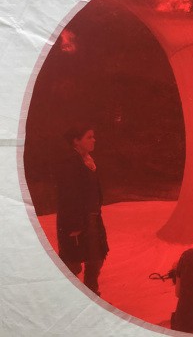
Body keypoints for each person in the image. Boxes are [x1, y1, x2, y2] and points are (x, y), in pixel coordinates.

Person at [56, 124, 109, 296]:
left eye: (93, 136)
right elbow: (68, 196)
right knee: (72, 263)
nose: (94, 140)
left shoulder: (88, 161)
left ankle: (91, 294)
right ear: (76, 141)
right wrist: (74, 225)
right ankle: (72, 299)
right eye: (89, 137)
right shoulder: (69, 163)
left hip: (92, 219)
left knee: (96, 258)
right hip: (76, 221)